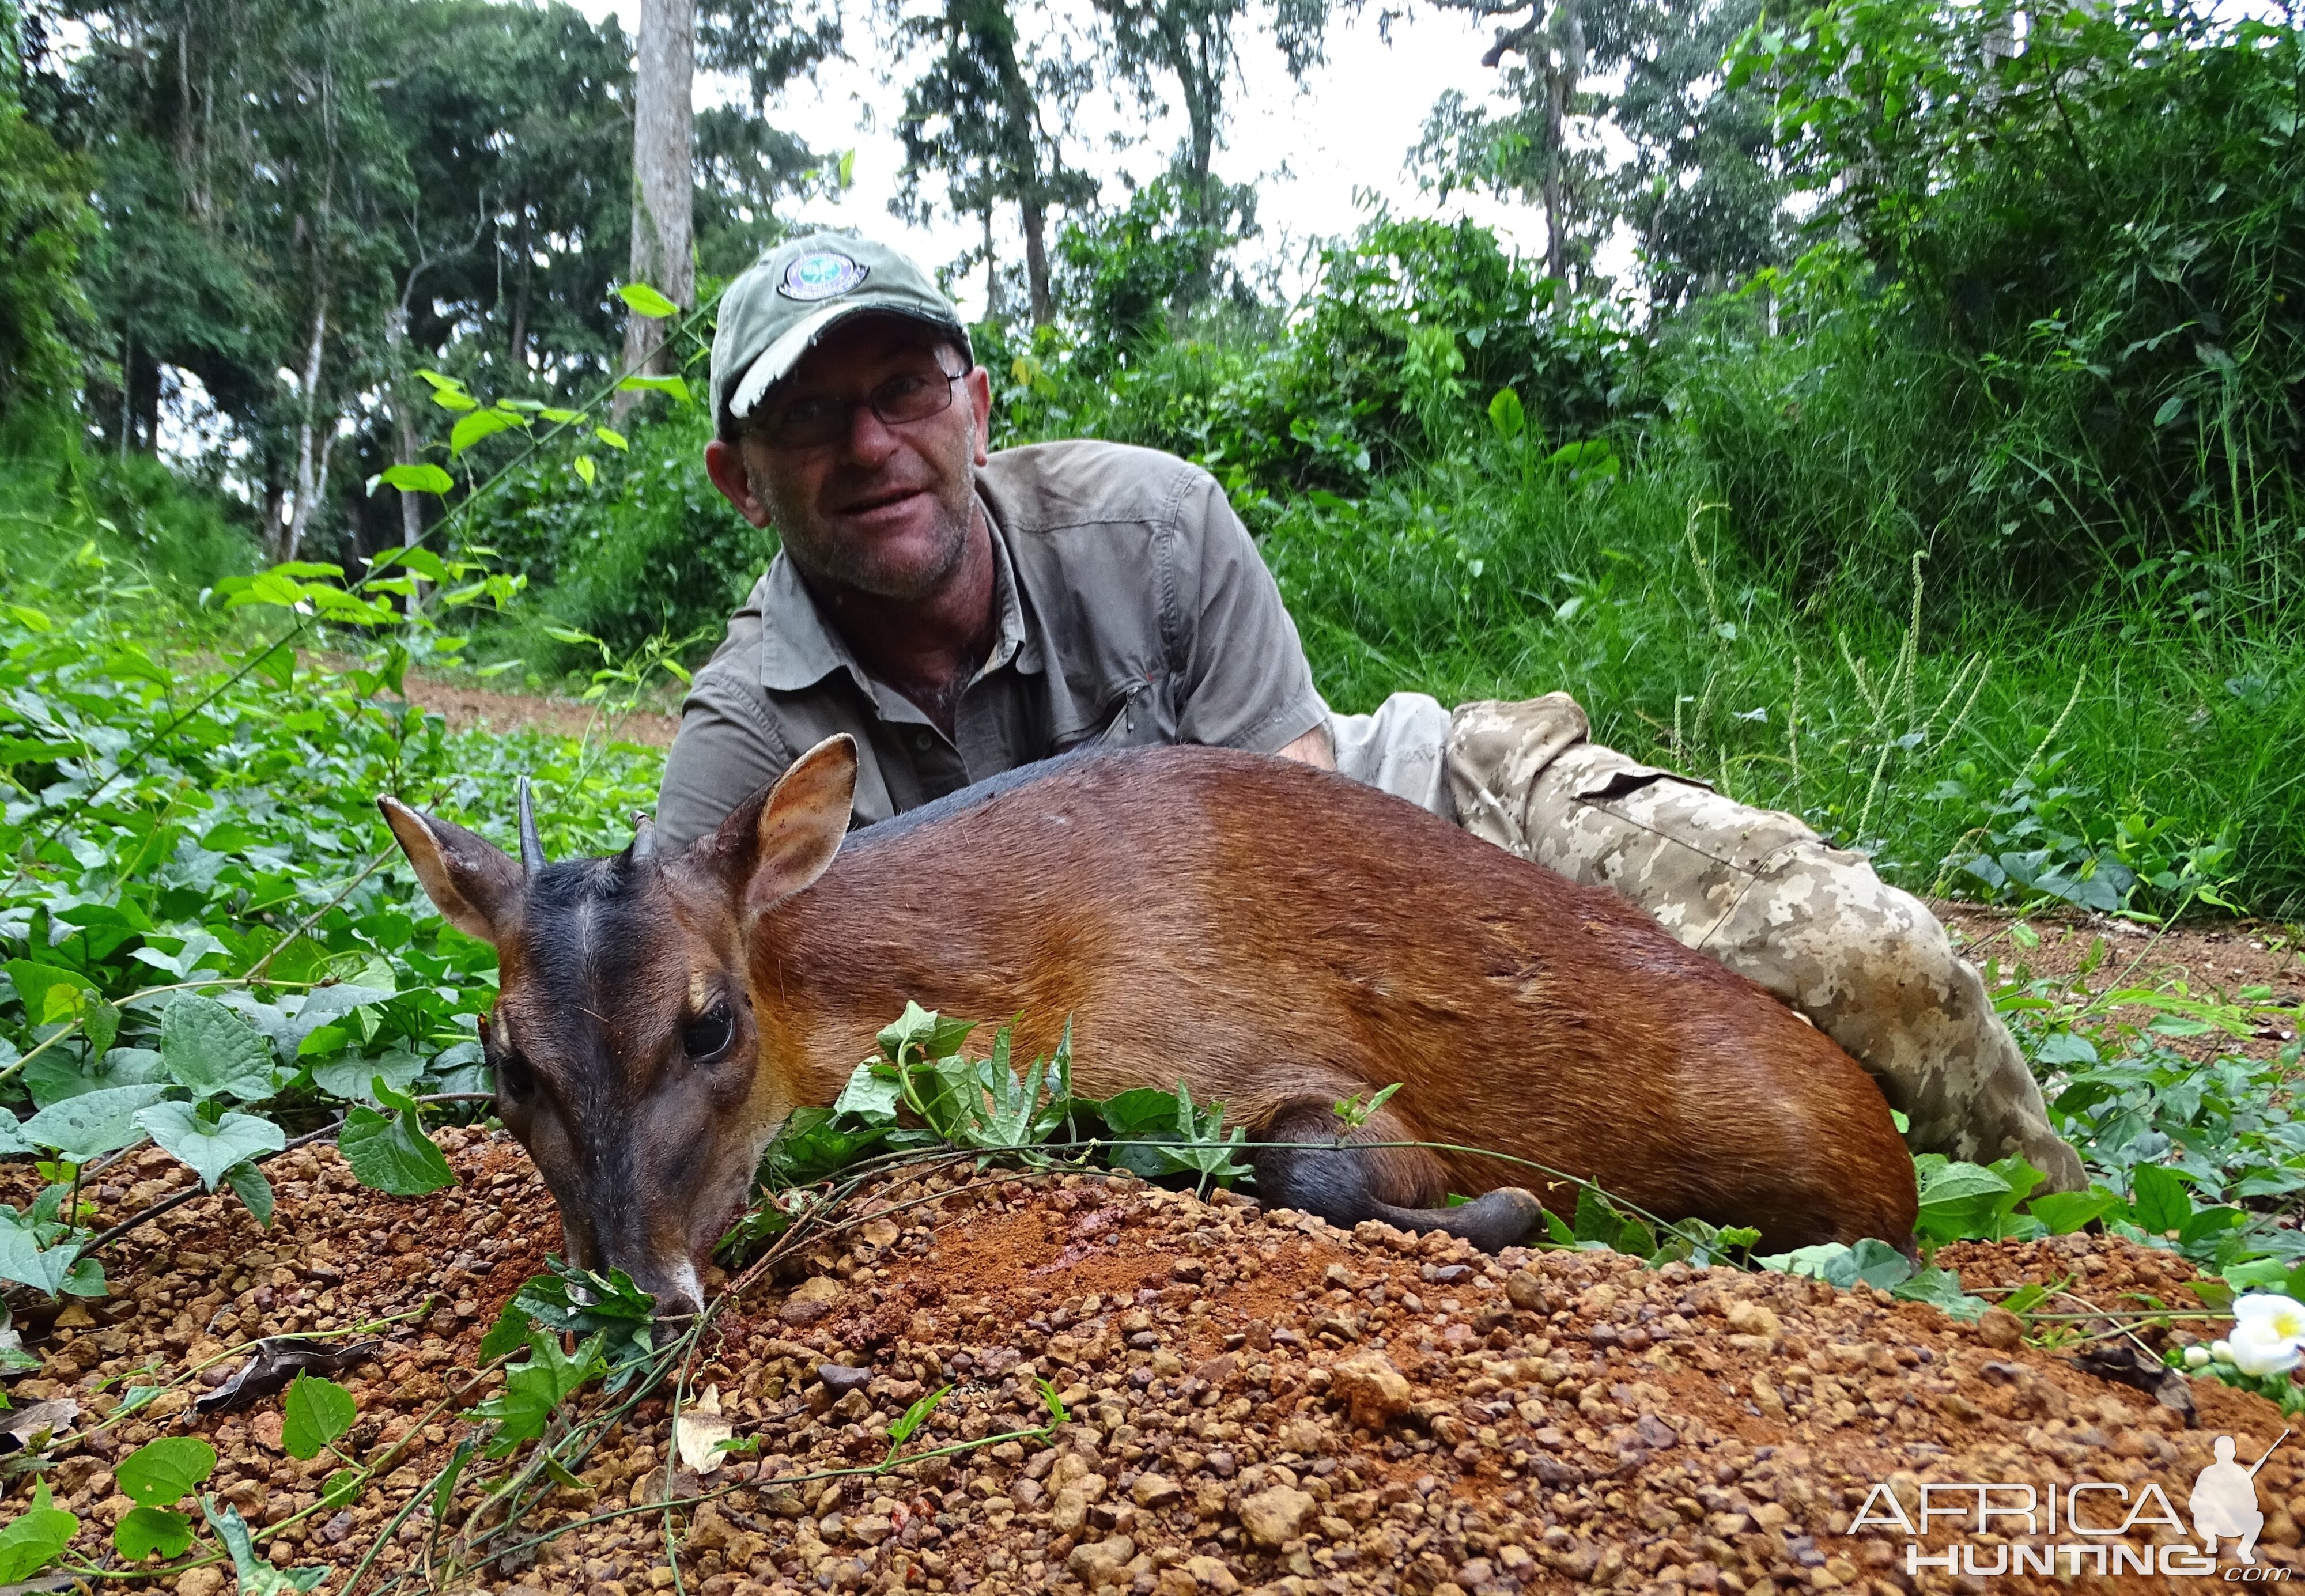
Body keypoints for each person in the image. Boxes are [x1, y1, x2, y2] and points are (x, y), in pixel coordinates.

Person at [655, 231, 2084, 1190]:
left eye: (901, 388)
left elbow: (1281, 817)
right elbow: (670, 1012)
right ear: (739, 478)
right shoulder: (738, 740)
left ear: (973, 401)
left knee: (1872, 957)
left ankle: (2062, 1242)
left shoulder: (1146, 519)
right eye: (807, 418)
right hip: (1204, 1032)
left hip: (1392, 825)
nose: (869, 445)